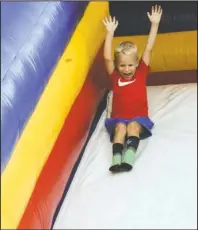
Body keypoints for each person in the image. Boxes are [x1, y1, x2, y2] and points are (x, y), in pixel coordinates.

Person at [102, 5, 163, 172]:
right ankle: (116, 160)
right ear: (117, 66)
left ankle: (128, 158)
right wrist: (109, 33)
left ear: (137, 63)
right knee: (121, 127)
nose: (126, 69)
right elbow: (107, 58)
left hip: (138, 117)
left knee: (133, 126)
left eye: (130, 65)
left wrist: (155, 24)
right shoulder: (115, 77)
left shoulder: (141, 72)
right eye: (122, 65)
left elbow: (149, 47)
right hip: (118, 118)